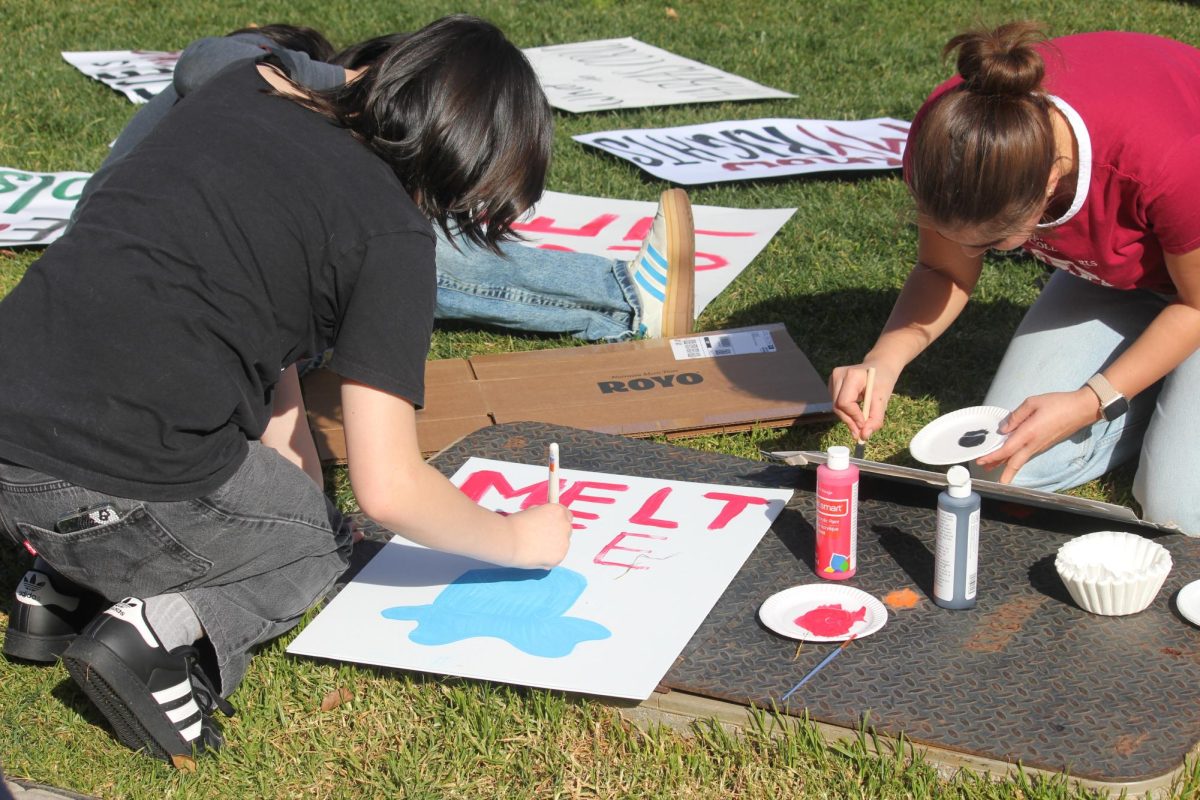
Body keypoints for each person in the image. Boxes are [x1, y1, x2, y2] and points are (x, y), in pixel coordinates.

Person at [0, 15, 574, 763]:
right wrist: (516, 538)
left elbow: (273, 370)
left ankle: (58, 590)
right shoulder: (392, 236)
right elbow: (390, 489)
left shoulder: (245, 91)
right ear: (466, 168)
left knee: (281, 502)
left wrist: (292, 473)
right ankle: (161, 633)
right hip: (99, 483)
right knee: (319, 547)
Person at [72, 27, 697, 344]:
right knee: (407, 252)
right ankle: (627, 300)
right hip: (157, 287)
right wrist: (362, 89)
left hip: (166, 292)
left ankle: (618, 311)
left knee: (398, 250)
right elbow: (206, 59)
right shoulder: (275, 69)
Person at [829, 22, 1200, 534]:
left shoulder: (1165, 161)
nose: (969, 255)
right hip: (1128, 274)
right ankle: (1158, 392)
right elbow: (942, 268)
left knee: (1180, 509)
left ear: (1051, 184)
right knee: (1001, 466)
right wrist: (884, 359)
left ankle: (1159, 400)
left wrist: (1089, 401)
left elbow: (1195, 305)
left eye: (990, 245)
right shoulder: (953, 135)